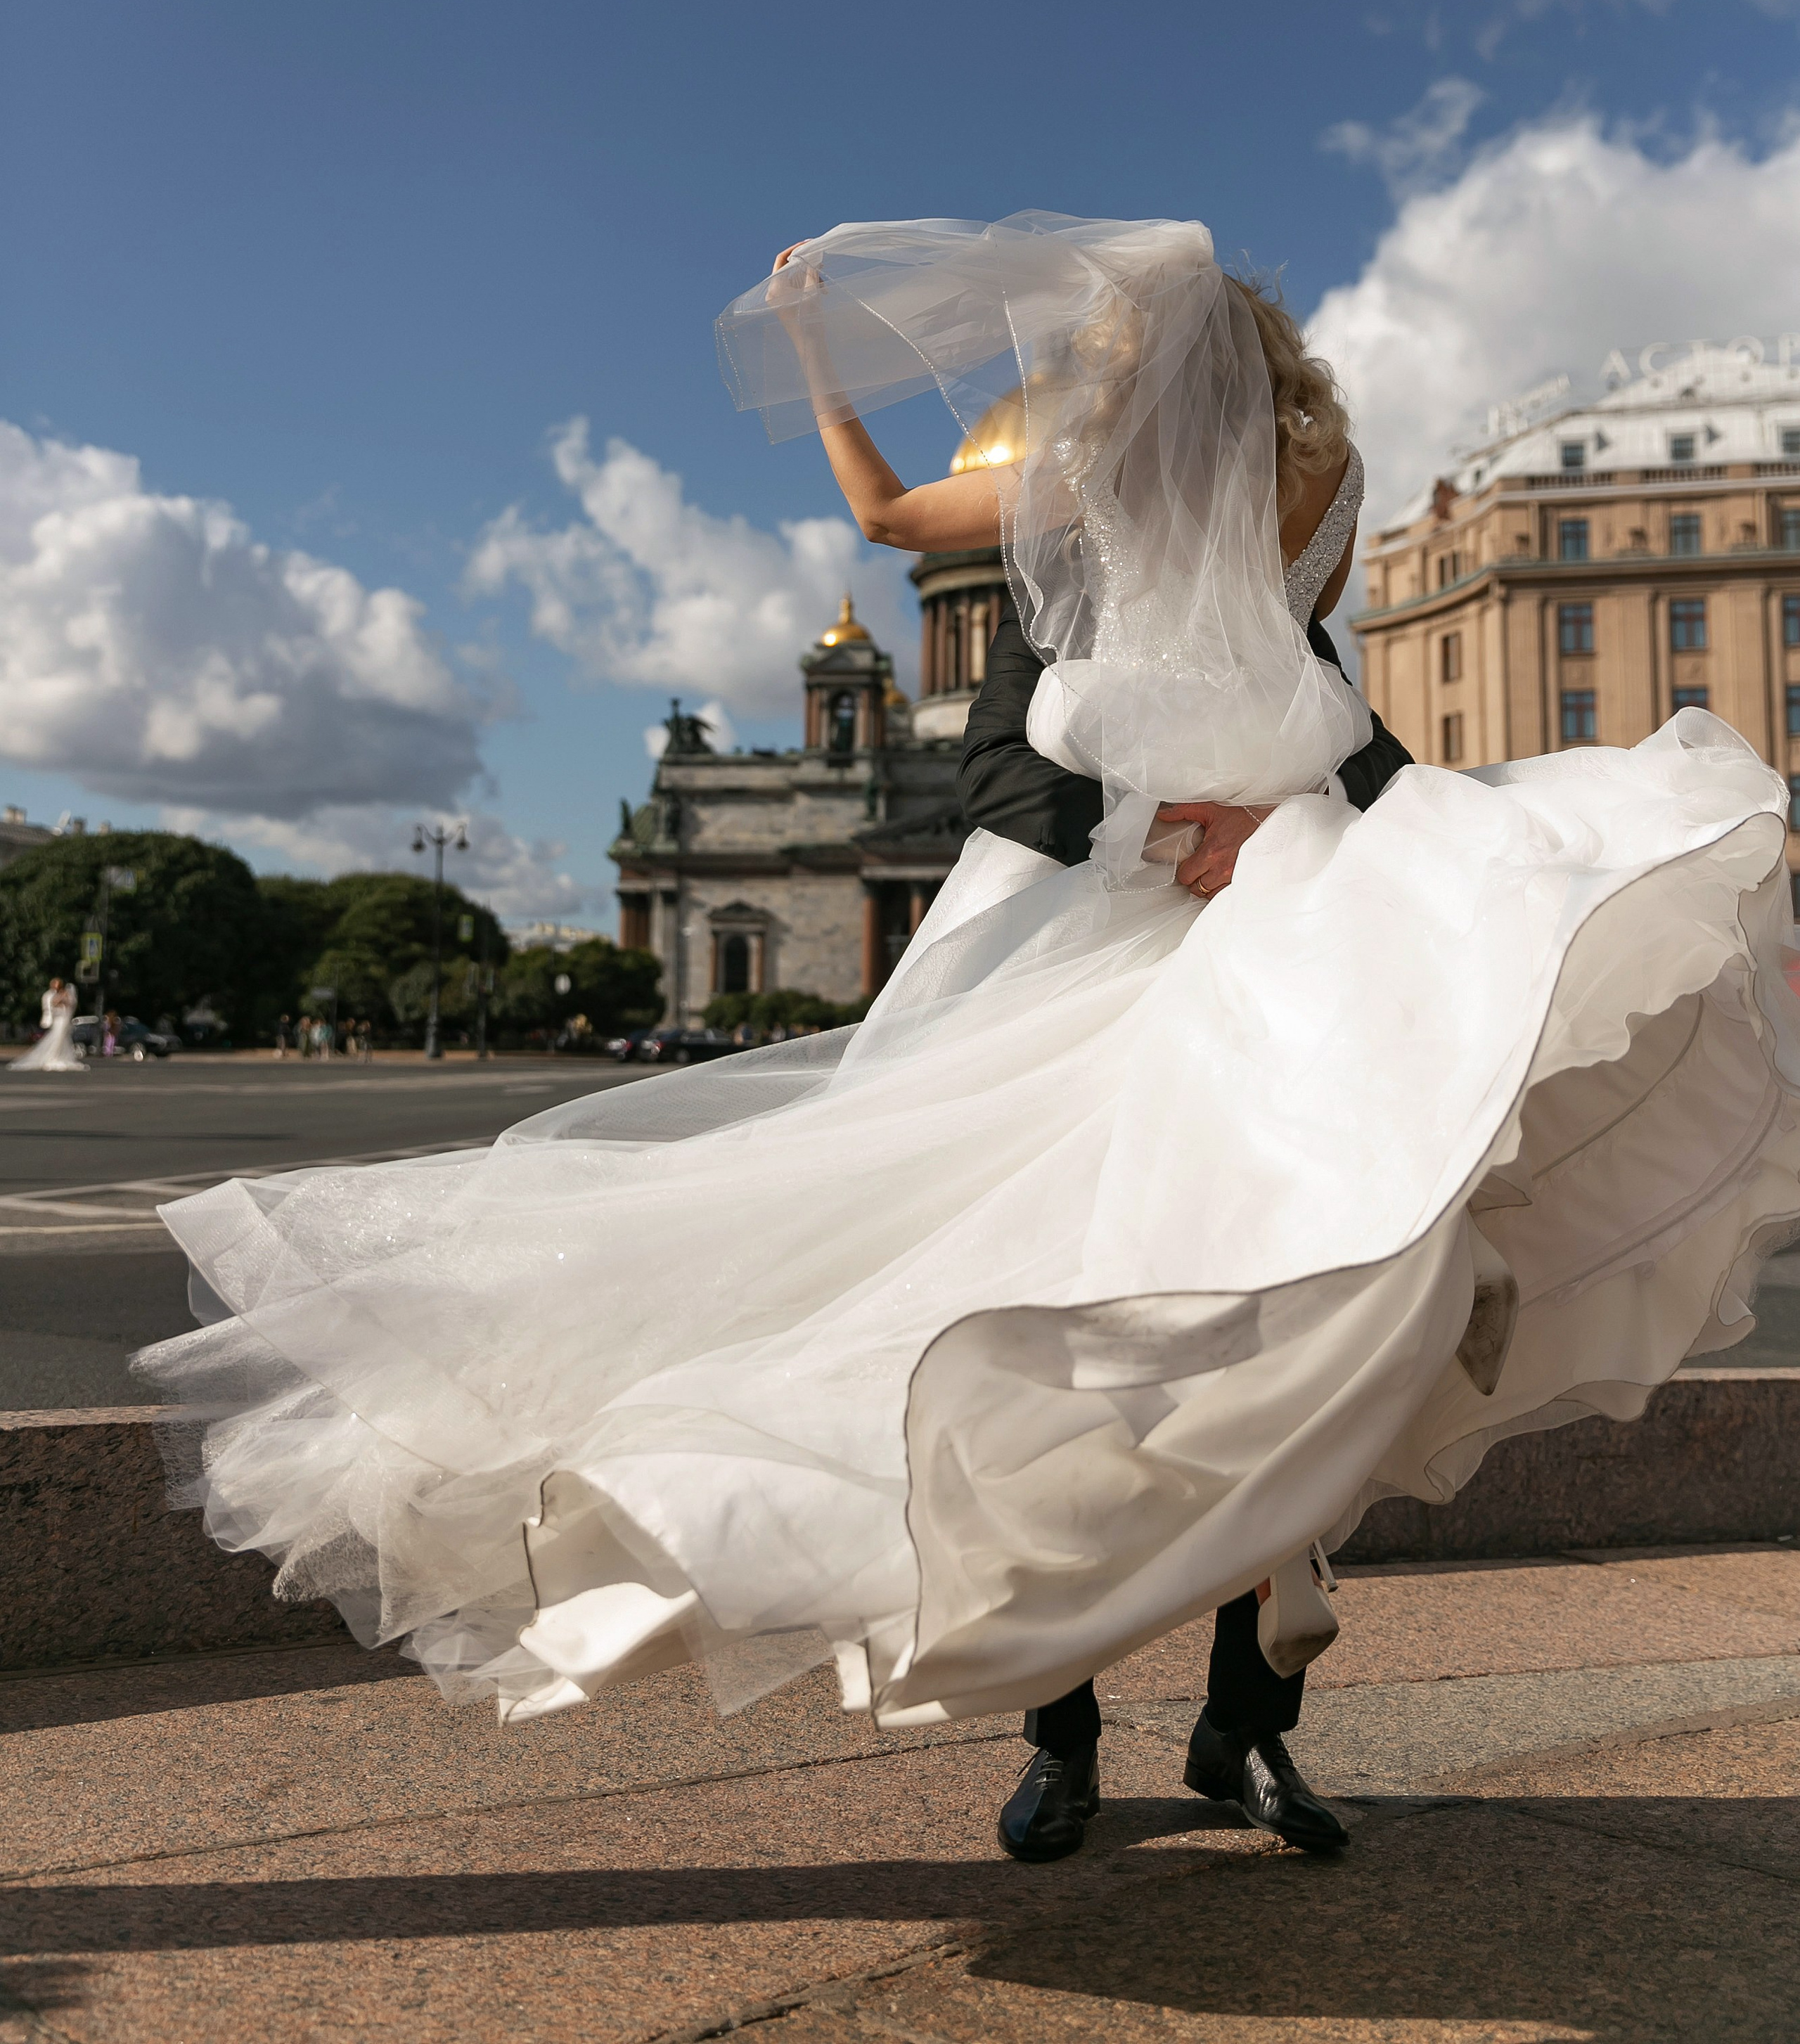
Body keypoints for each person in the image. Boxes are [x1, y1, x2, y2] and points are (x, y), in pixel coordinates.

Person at [135, 216, 1800, 1791]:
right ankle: (1124, 1718)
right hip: (1260, 886)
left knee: (1098, 1283)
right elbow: (1310, 681)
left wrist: (809, 348)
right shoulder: (1328, 470)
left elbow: (895, 527)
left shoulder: (1084, 472)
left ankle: (1187, 1705)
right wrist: (1298, 830)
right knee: (1288, 1267)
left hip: (1142, 906)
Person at [956, 552, 1411, 1859]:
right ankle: (1065, 1740)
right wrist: (1177, 822)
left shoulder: (1290, 623)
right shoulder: (1062, 602)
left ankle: (1248, 1730)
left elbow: (1385, 789)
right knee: (1071, 1372)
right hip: (1094, 1031)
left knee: (1283, 1367)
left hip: (1270, 1037)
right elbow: (997, 776)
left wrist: (1286, 829)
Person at [10, 977, 87, 1074]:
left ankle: (57, 1056)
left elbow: (69, 1005)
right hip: (58, 1020)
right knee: (56, 1038)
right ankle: (52, 1056)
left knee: (61, 1039)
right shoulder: (50, 995)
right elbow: (52, 1004)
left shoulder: (64, 993)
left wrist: (63, 999)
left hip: (63, 1019)